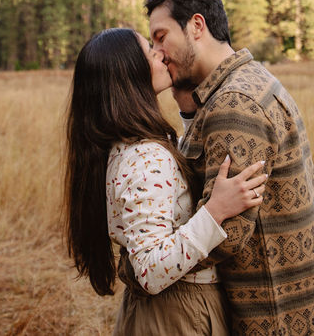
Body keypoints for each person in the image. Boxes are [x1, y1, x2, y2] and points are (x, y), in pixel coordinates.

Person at [145, 0, 314, 335]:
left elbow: (226, 234)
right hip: (299, 313)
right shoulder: (246, 80)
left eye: (160, 37)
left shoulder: (233, 104)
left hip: (274, 319)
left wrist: (145, 265)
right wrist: (186, 106)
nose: (157, 53)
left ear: (196, 26)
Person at [65, 27, 269, 335]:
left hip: (161, 311)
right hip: (176, 313)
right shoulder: (146, 158)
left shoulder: (127, 146)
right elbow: (149, 270)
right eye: (149, 50)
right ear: (129, 75)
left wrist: (187, 106)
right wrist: (215, 211)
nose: (160, 53)